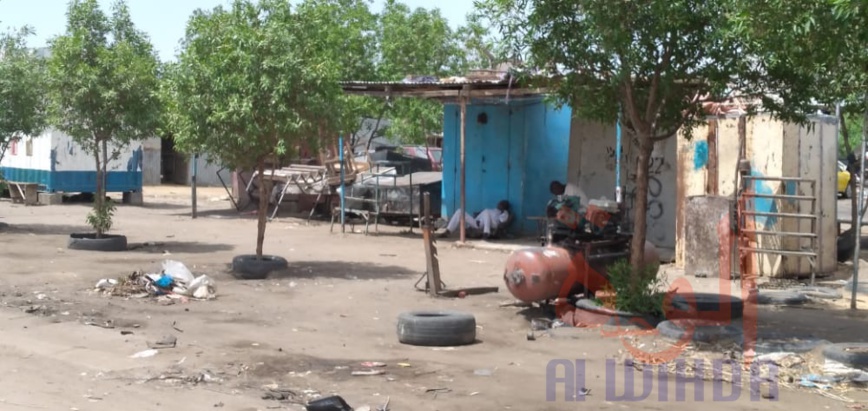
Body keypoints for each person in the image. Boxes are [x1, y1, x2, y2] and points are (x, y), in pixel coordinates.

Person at [440, 200, 511, 239]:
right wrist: (479, 215)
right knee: (459, 211)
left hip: (488, 225)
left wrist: (502, 211)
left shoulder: (505, 213)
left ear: (505, 207)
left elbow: (502, 222)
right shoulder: (494, 210)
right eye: (500, 203)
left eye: (502, 204)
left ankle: (487, 232)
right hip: (477, 222)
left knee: (486, 211)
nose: (499, 204)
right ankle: (448, 231)